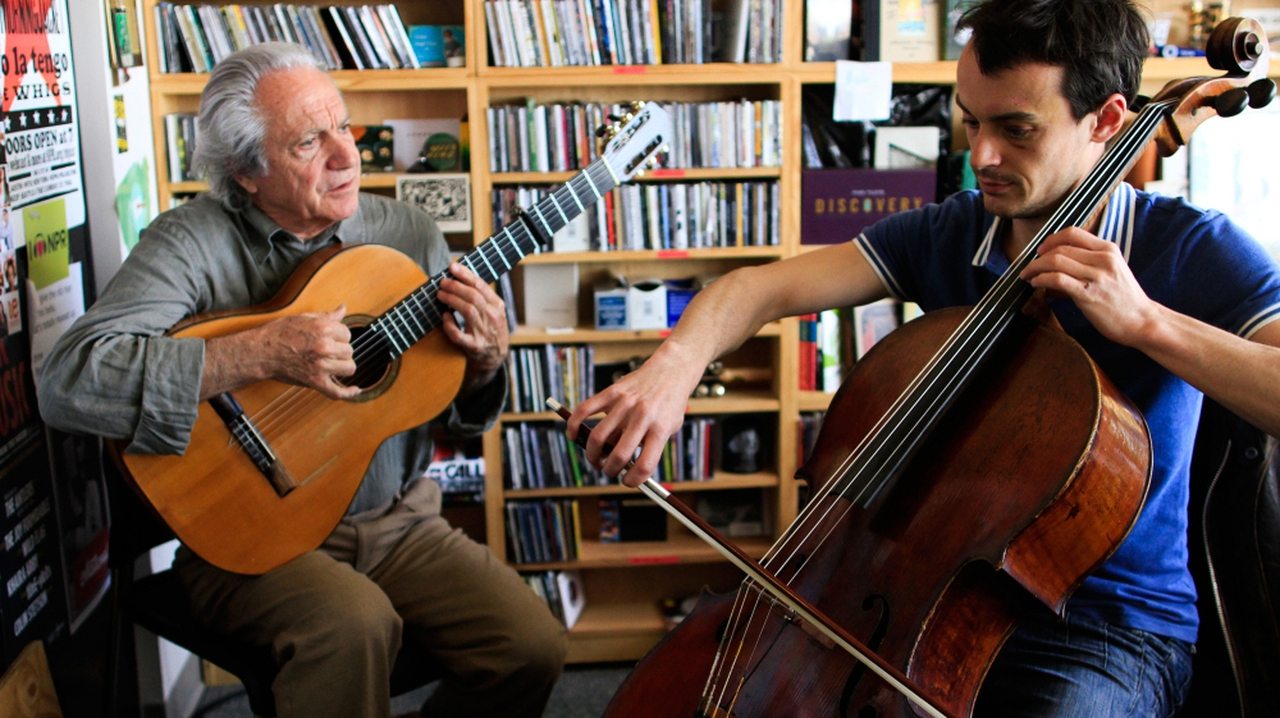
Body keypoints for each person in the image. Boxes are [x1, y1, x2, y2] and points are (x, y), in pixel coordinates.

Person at [568, 0, 1280, 715]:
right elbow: (754, 289)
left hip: (1102, 630)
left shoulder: (1193, 251)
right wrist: (672, 369)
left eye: (1016, 129)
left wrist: (1148, 324)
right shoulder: (950, 232)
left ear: (1105, 120)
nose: (980, 157)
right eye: (972, 120)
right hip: (908, 593)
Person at [36, 42, 565, 718]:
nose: (348, 156)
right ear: (246, 171)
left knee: (531, 646)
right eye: (309, 142)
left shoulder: (406, 232)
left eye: (343, 125)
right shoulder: (189, 243)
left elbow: (459, 415)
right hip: (247, 539)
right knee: (353, 626)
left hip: (400, 523)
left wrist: (488, 361)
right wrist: (255, 353)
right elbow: (67, 380)